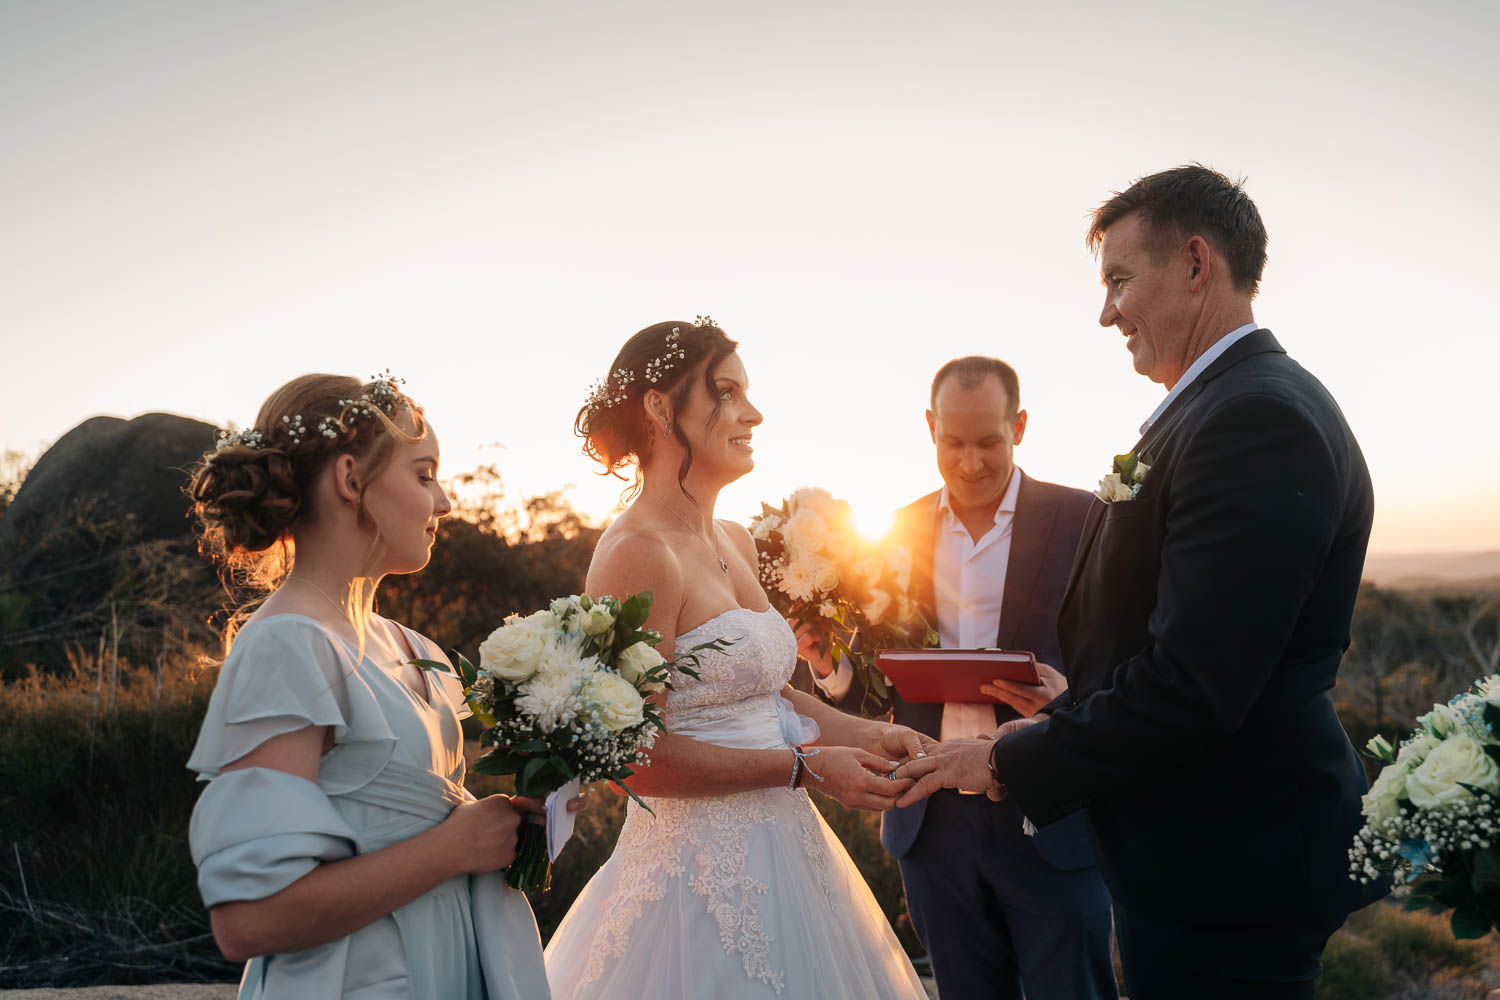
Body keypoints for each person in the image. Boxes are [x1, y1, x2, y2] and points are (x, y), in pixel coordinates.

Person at [897, 166, 1387, 997]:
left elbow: (1194, 684)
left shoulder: (1254, 419)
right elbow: (1179, 637)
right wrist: (1071, 699)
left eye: (1120, 280)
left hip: (1228, 865)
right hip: (1194, 857)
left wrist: (1010, 762)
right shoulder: (1217, 407)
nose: (1106, 311)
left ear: (1196, 263)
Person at [543, 318, 931, 1000]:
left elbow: (766, 699)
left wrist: (871, 735)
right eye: (726, 393)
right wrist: (804, 769)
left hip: (787, 855)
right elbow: (636, 758)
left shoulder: (733, 540)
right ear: (660, 410)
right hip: (691, 883)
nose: (752, 413)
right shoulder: (638, 553)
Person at [185, 372, 553, 999]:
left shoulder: (416, 648)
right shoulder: (288, 644)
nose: (444, 502)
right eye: (424, 473)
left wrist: (507, 830)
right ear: (351, 480)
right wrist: (454, 849)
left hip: (451, 960)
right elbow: (248, 920)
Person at [807, 356, 1115, 1000]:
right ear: (930, 428)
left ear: (1020, 427)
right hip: (933, 819)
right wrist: (826, 662)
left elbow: (1126, 664)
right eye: (954, 442)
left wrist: (1068, 697)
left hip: (1048, 808)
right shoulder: (896, 533)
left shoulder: (1086, 519)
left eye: (988, 442)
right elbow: (871, 689)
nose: (971, 461)